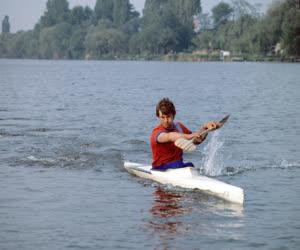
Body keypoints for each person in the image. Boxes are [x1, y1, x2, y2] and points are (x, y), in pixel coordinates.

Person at [150, 98, 220, 171]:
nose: (166, 120)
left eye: (168, 117)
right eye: (162, 117)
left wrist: (206, 128)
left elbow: (196, 140)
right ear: (158, 116)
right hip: (160, 168)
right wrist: (190, 136)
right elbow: (170, 136)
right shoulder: (157, 133)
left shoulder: (179, 126)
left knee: (190, 165)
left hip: (178, 165)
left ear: (173, 115)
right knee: (179, 164)